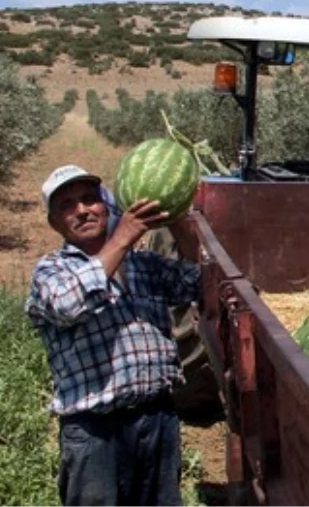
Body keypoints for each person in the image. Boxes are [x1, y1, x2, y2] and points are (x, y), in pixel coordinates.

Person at [25, 164, 202, 507]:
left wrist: (178, 220)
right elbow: (68, 305)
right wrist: (122, 237)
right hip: (95, 432)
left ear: (105, 205)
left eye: (90, 199)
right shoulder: (51, 271)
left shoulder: (143, 264)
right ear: (54, 223)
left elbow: (197, 283)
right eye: (67, 205)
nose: (82, 210)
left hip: (157, 421)